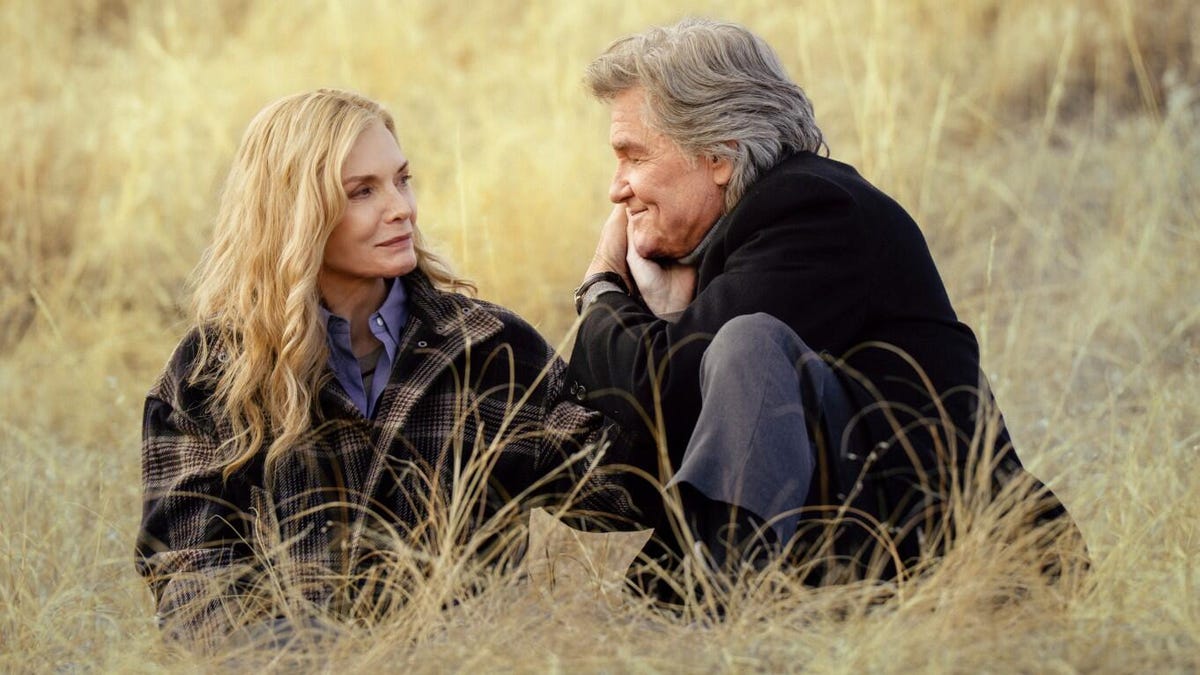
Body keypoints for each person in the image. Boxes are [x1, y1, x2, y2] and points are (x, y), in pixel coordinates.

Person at [568, 18, 1084, 577]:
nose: (616, 188)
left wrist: (602, 284)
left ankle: (717, 600)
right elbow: (624, 463)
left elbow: (663, 392)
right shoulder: (738, 239)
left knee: (748, 343)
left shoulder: (813, 210)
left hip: (966, 560)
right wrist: (670, 315)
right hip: (869, 551)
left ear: (718, 154)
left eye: (634, 156)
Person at [136, 89, 631, 648]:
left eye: (402, 179)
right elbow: (192, 590)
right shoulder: (211, 373)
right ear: (295, 211)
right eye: (362, 191)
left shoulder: (490, 349)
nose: (401, 208)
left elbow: (619, 494)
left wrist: (623, 303)